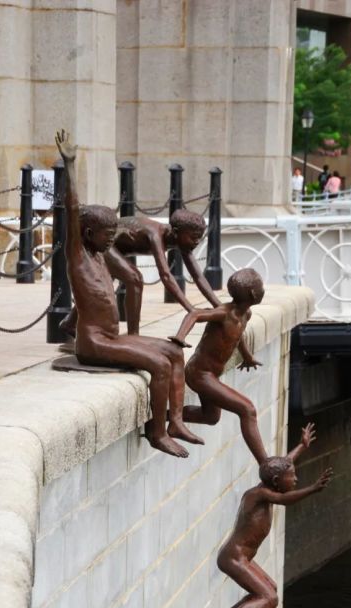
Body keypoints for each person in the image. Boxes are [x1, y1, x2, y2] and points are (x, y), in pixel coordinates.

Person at [54, 128, 201, 458]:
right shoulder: (78, 255)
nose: (112, 240)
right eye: (107, 235)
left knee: (174, 352)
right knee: (159, 365)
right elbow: (72, 209)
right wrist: (71, 165)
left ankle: (176, 421)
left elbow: (134, 276)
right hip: (94, 343)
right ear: (87, 233)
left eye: (113, 234)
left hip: (112, 337)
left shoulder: (100, 254)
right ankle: (156, 433)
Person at [204, 423, 333, 608]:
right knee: (269, 599)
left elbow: (285, 462)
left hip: (242, 558)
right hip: (233, 559)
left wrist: (302, 446)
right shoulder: (260, 494)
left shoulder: (270, 483)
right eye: (292, 477)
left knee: (269, 589)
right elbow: (286, 499)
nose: (295, 479)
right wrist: (312, 489)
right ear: (276, 481)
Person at [59, 207, 220, 340]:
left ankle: (69, 323)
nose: (197, 242)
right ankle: (133, 335)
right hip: (107, 242)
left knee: (114, 281)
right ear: (176, 232)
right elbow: (165, 275)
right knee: (134, 278)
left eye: (199, 238)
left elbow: (198, 276)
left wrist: (218, 306)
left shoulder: (183, 243)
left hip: (118, 249)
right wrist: (190, 308)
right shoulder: (155, 234)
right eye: (193, 238)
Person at [167, 267, 267, 465]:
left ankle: (163, 419)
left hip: (211, 374)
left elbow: (237, 335)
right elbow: (195, 314)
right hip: (199, 374)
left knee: (211, 417)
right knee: (247, 409)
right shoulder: (224, 313)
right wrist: (180, 337)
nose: (263, 290)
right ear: (254, 294)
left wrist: (247, 356)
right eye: (261, 287)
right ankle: (265, 462)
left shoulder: (245, 314)